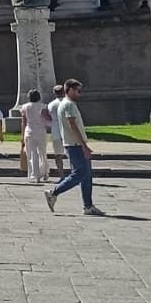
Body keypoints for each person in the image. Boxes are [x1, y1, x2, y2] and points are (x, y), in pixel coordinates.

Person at [45, 78, 103, 215]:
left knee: (86, 175)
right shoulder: (69, 105)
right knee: (80, 173)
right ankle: (54, 192)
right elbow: (73, 125)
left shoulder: (65, 104)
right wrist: (84, 145)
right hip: (75, 145)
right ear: (69, 90)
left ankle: (88, 206)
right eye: (77, 91)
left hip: (73, 144)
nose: (79, 94)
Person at [14, 89, 53, 184]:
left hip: (30, 130)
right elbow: (47, 120)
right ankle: (44, 172)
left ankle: (35, 174)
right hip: (40, 130)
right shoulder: (44, 106)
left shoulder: (25, 107)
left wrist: (22, 135)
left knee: (32, 153)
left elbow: (23, 122)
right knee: (42, 153)